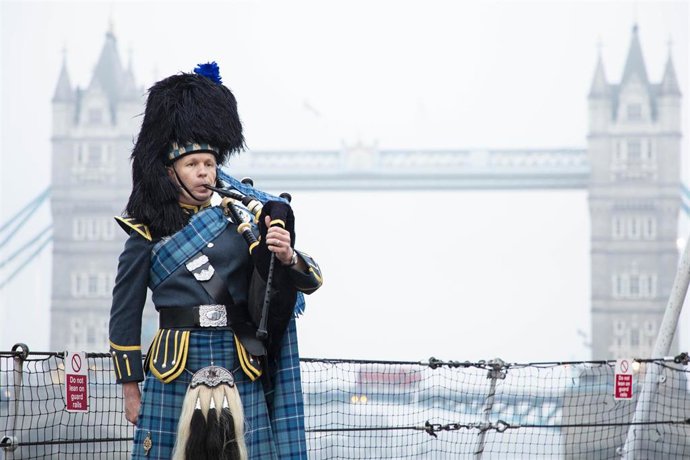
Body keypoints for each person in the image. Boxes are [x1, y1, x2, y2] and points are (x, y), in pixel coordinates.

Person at [108, 62, 323, 460]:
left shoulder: (244, 219)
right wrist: (130, 387)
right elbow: (125, 312)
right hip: (175, 361)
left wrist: (287, 255)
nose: (203, 173)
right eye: (192, 165)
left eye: (208, 164)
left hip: (237, 354)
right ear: (170, 172)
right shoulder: (144, 231)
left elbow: (309, 280)